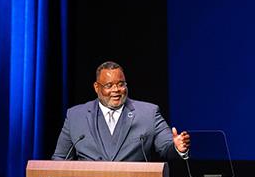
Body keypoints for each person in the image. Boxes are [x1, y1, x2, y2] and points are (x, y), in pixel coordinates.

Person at [52, 61, 190, 161]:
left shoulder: (149, 113)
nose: (116, 90)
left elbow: (166, 147)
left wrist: (177, 147)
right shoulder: (76, 116)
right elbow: (60, 159)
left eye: (121, 84)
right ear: (96, 87)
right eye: (109, 85)